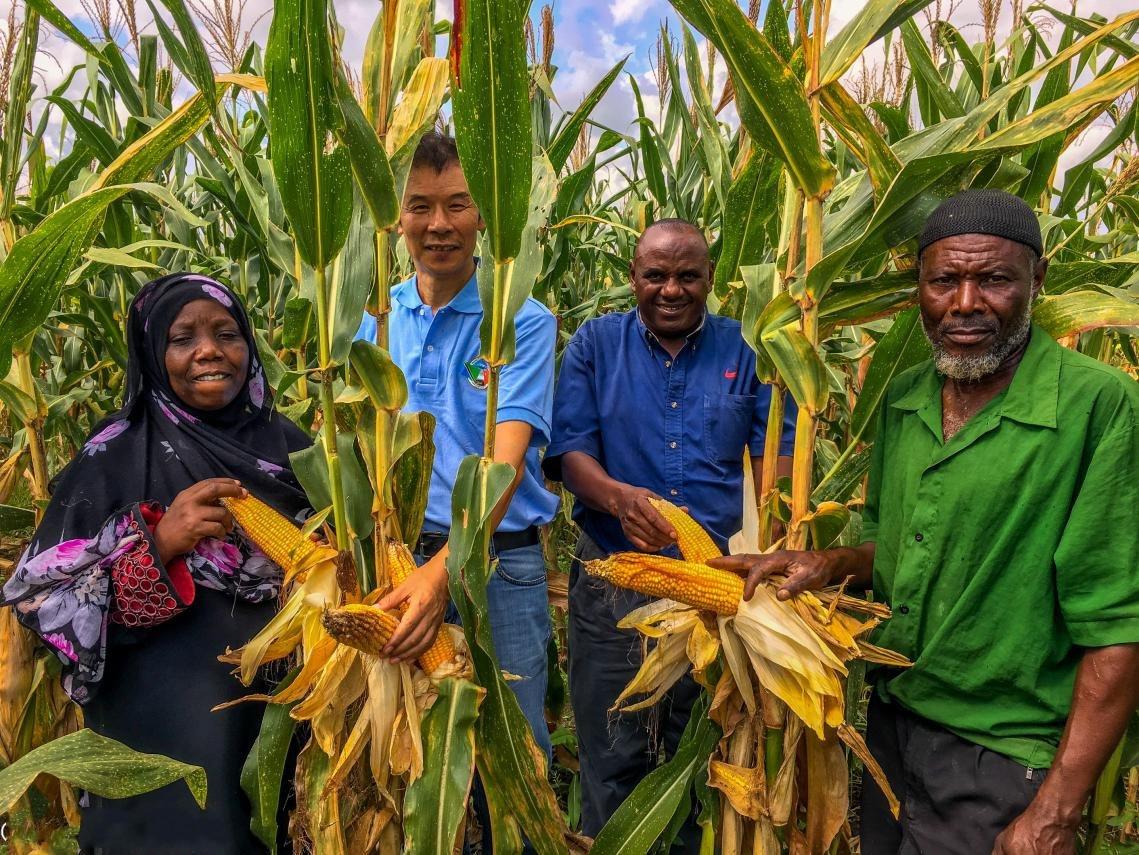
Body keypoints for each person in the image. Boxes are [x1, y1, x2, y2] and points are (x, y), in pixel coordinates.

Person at [715, 189, 1139, 855]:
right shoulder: (906, 397)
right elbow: (899, 543)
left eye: (993, 279)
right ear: (919, 287)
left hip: (1001, 752)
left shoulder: (1097, 407)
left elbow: (1117, 627)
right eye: (944, 280)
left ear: (1037, 281)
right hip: (891, 728)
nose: (964, 303)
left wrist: (1055, 809)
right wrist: (828, 564)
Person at [3, 273, 313, 853]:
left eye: (227, 333)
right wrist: (158, 543)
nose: (208, 351)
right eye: (181, 338)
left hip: (278, 719)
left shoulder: (296, 453)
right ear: (151, 352)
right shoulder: (111, 457)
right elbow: (40, 603)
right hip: (155, 736)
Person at [542, 218, 796, 842]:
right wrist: (618, 498)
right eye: (655, 275)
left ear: (711, 278)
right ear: (633, 278)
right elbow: (572, 453)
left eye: (688, 275)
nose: (671, 289)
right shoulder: (595, 346)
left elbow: (780, 466)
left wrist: (776, 547)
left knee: (692, 761)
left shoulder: (750, 351)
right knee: (613, 754)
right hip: (613, 582)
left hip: (715, 595)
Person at [356, 132, 558, 762]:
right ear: (397, 217)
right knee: (407, 754)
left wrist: (442, 575)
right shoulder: (373, 319)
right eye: (420, 206)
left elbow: (504, 465)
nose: (438, 225)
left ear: (484, 214)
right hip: (396, 558)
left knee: (513, 755)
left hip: (497, 564)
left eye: (458, 205)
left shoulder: (519, 319)